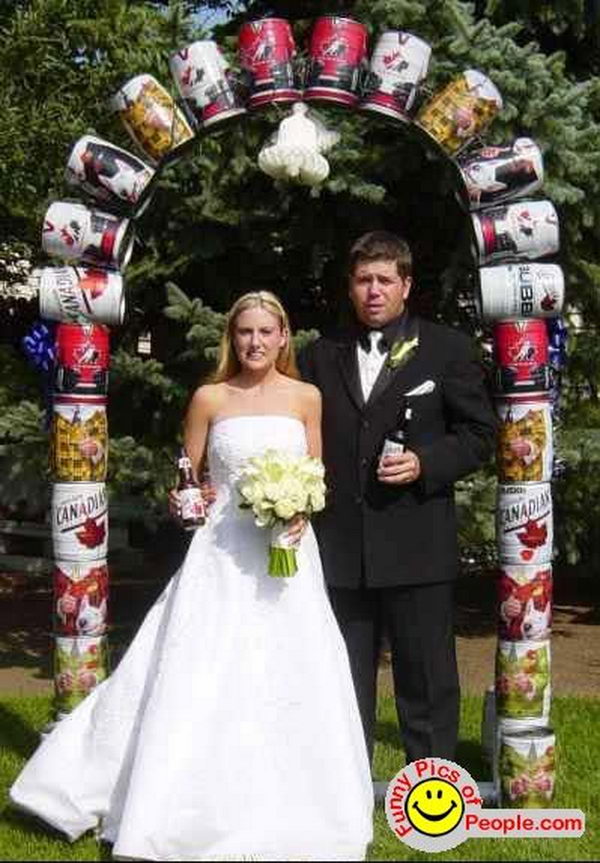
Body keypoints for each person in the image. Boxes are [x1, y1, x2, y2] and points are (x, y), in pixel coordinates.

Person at [10, 291, 373, 861]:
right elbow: (187, 480)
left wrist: (299, 507)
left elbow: (315, 474)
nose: (255, 343)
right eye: (245, 332)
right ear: (233, 338)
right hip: (223, 550)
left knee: (292, 661)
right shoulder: (209, 397)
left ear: (284, 337)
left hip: (287, 552)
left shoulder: (306, 397)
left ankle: (300, 802)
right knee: (202, 661)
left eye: (266, 332)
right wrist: (188, 502)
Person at [296, 231, 496, 766]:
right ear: (350, 287)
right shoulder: (319, 355)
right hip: (340, 548)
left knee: (427, 677)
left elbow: (481, 434)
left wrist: (426, 462)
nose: (374, 291)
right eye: (364, 280)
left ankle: (433, 784)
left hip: (416, 541)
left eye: (385, 279)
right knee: (341, 676)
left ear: (406, 285)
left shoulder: (447, 348)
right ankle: (344, 784)